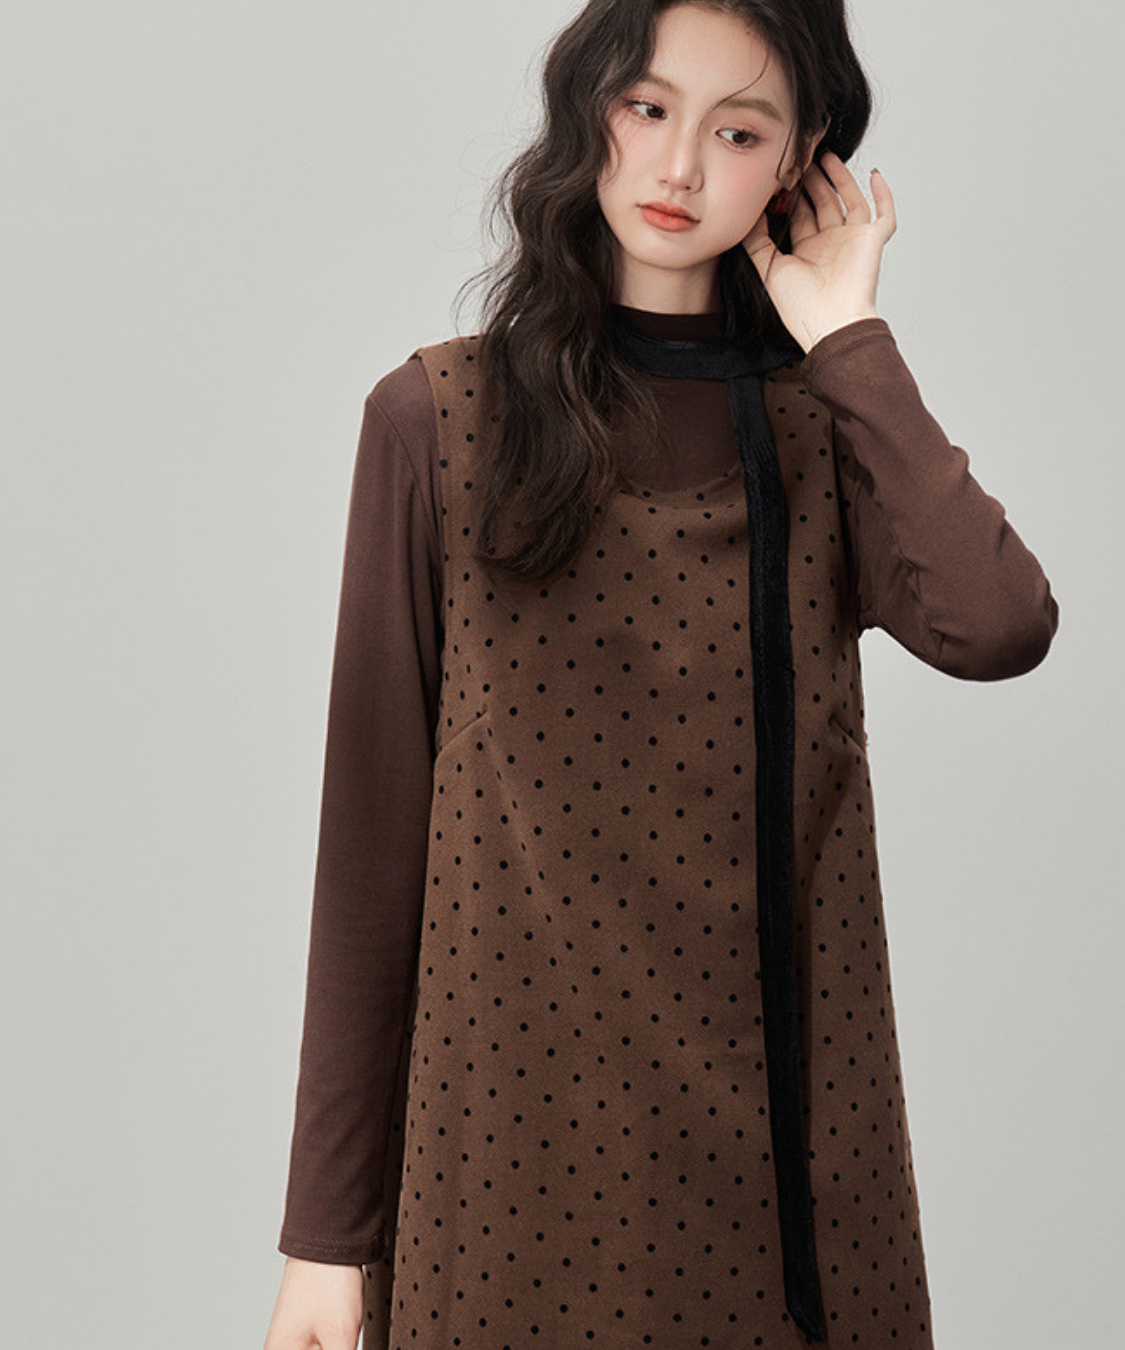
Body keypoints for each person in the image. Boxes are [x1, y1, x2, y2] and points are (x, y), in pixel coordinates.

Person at [264, 1, 1059, 1347]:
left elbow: (1000, 624)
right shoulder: (439, 420)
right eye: (647, 108)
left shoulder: (825, 428)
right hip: (503, 1173)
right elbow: (369, 853)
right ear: (590, 107)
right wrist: (324, 1241)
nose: (680, 167)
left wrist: (849, 340)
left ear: (801, 158)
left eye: (738, 132)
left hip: (792, 1181)